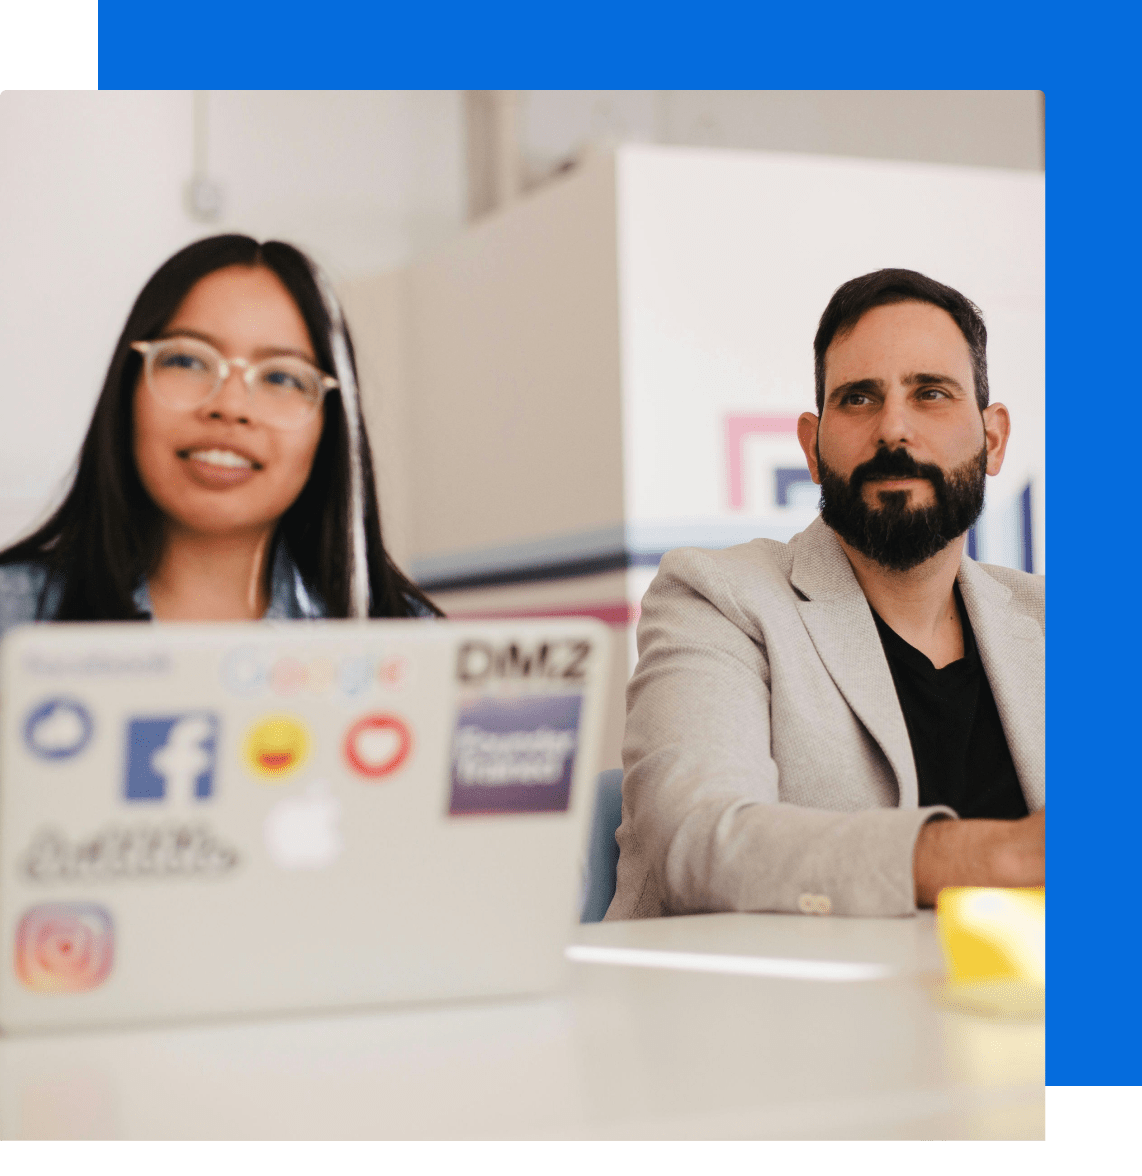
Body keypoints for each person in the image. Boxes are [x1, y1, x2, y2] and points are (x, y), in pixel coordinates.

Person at [608, 269, 1043, 920]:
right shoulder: (716, 598)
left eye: (930, 393)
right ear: (812, 448)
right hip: (763, 1016)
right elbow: (699, 845)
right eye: (859, 400)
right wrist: (991, 857)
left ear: (995, 439)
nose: (893, 430)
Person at [0, 235, 438, 635]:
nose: (230, 406)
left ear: (331, 425)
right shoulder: (13, 614)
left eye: (282, 378)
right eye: (188, 361)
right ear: (127, 387)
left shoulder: (410, 645)